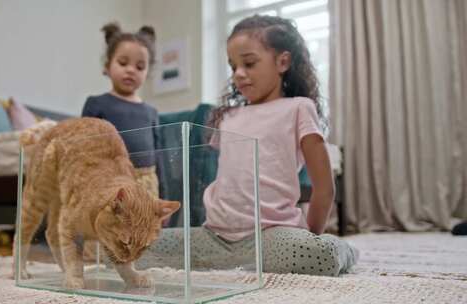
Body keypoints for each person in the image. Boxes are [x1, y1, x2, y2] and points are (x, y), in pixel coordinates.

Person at [137, 15, 358, 276]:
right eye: (233, 67)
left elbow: (324, 188)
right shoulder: (227, 117)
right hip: (214, 236)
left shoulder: (298, 108)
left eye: (249, 63)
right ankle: (233, 262)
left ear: (282, 61)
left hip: (270, 235)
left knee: (317, 257)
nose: (239, 74)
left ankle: (342, 250)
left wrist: (309, 237)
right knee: (135, 248)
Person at [82, 22, 159, 198]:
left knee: (144, 225)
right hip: (110, 182)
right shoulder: (96, 104)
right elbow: (84, 150)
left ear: (148, 72)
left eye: (140, 67)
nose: (131, 70)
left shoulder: (151, 112)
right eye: (123, 63)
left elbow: (159, 158)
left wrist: (164, 197)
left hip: (147, 185)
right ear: (107, 65)